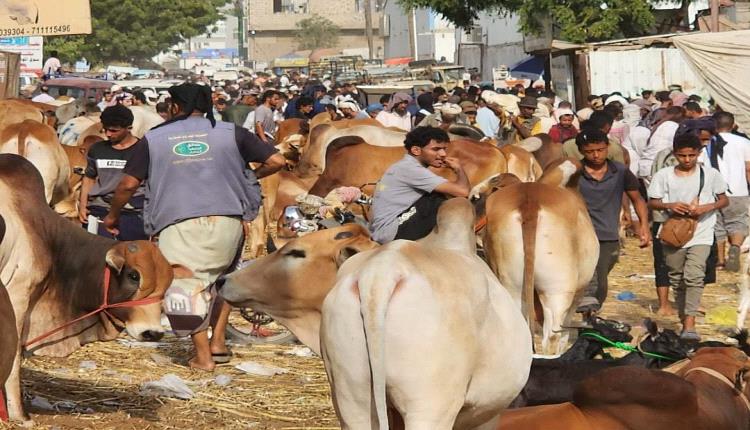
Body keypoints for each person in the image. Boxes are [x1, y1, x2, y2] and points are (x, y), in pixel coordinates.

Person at [103, 83, 285, 371]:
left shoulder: (154, 138)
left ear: (175, 106)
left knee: (184, 287)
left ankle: (202, 357)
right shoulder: (231, 132)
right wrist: (248, 176)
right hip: (229, 221)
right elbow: (277, 160)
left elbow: (127, 184)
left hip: (179, 223)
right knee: (221, 279)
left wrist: (112, 215)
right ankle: (219, 342)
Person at [648, 133, 729, 340]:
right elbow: (653, 201)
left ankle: (690, 323)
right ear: (674, 154)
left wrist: (706, 207)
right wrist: (670, 205)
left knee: (694, 275)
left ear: (699, 154)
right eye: (682, 156)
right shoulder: (664, 175)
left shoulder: (710, 175)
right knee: (677, 278)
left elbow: (723, 200)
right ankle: (685, 318)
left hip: (702, 232)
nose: (687, 160)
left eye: (691, 155)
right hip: (674, 233)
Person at [575, 129, 651, 312]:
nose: (595, 155)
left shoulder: (620, 171)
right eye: (590, 151)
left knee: (601, 281)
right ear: (581, 151)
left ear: (607, 148)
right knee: (588, 280)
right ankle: (587, 319)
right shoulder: (574, 172)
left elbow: (637, 198)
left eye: (600, 150)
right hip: (581, 234)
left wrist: (643, 227)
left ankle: (591, 316)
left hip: (608, 234)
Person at [369, 127, 470, 244]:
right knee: (438, 198)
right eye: (436, 149)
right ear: (416, 150)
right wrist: (459, 169)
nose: (443, 154)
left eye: (444, 149)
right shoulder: (410, 169)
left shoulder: (405, 166)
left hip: (386, 228)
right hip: (391, 231)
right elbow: (463, 191)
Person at [79, 105, 147, 240]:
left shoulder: (144, 150)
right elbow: (89, 178)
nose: (108, 134)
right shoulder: (97, 150)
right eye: (105, 130)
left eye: (114, 130)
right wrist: (82, 205)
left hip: (133, 213)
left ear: (129, 128)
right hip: (100, 210)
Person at [704, 112, 750, 272]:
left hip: (714, 191)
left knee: (716, 226)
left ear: (714, 126)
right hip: (739, 190)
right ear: (733, 125)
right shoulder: (744, 142)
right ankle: (736, 246)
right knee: (738, 221)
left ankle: (720, 261)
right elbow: (748, 168)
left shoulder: (708, 143)